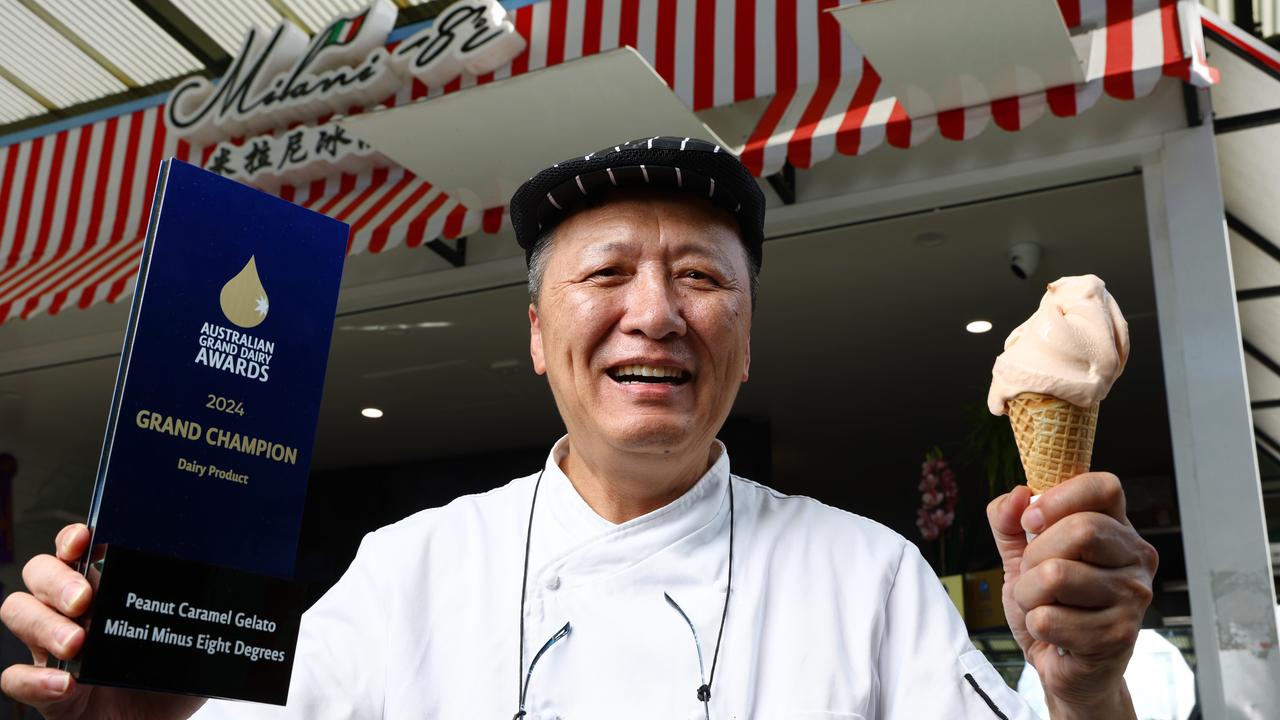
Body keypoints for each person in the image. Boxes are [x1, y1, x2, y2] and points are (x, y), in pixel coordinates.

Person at [1, 137, 1158, 718]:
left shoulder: (868, 579)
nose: (653, 313)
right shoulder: (403, 573)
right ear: (537, 334)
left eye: (700, 279)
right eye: (606, 271)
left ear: (744, 343)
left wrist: (1082, 690)